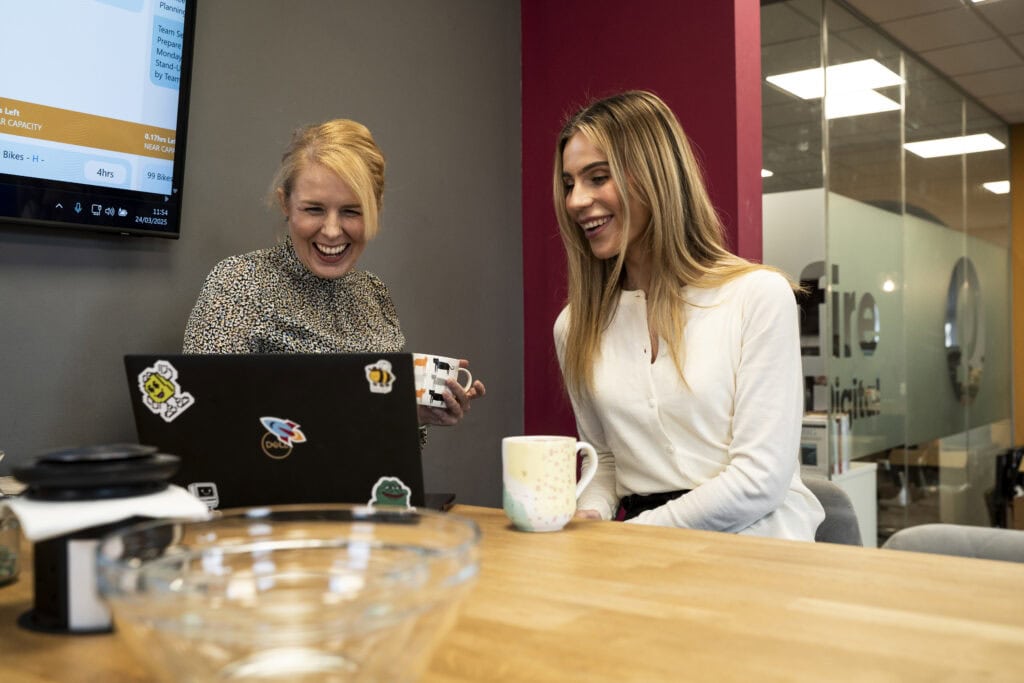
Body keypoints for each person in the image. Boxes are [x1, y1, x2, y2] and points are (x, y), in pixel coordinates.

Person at [551, 90, 823, 540]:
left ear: (655, 176)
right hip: (644, 550)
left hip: (759, 544)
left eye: (597, 177)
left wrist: (632, 536)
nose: (576, 200)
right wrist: (591, 514)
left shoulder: (756, 296)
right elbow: (607, 462)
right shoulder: (575, 327)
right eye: (568, 184)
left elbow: (759, 481)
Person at [183, 118, 485, 427]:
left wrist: (411, 414)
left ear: (376, 209)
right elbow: (202, 419)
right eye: (314, 209)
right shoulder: (238, 284)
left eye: (351, 211)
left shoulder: (374, 294)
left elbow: (384, 440)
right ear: (285, 203)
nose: (331, 231)